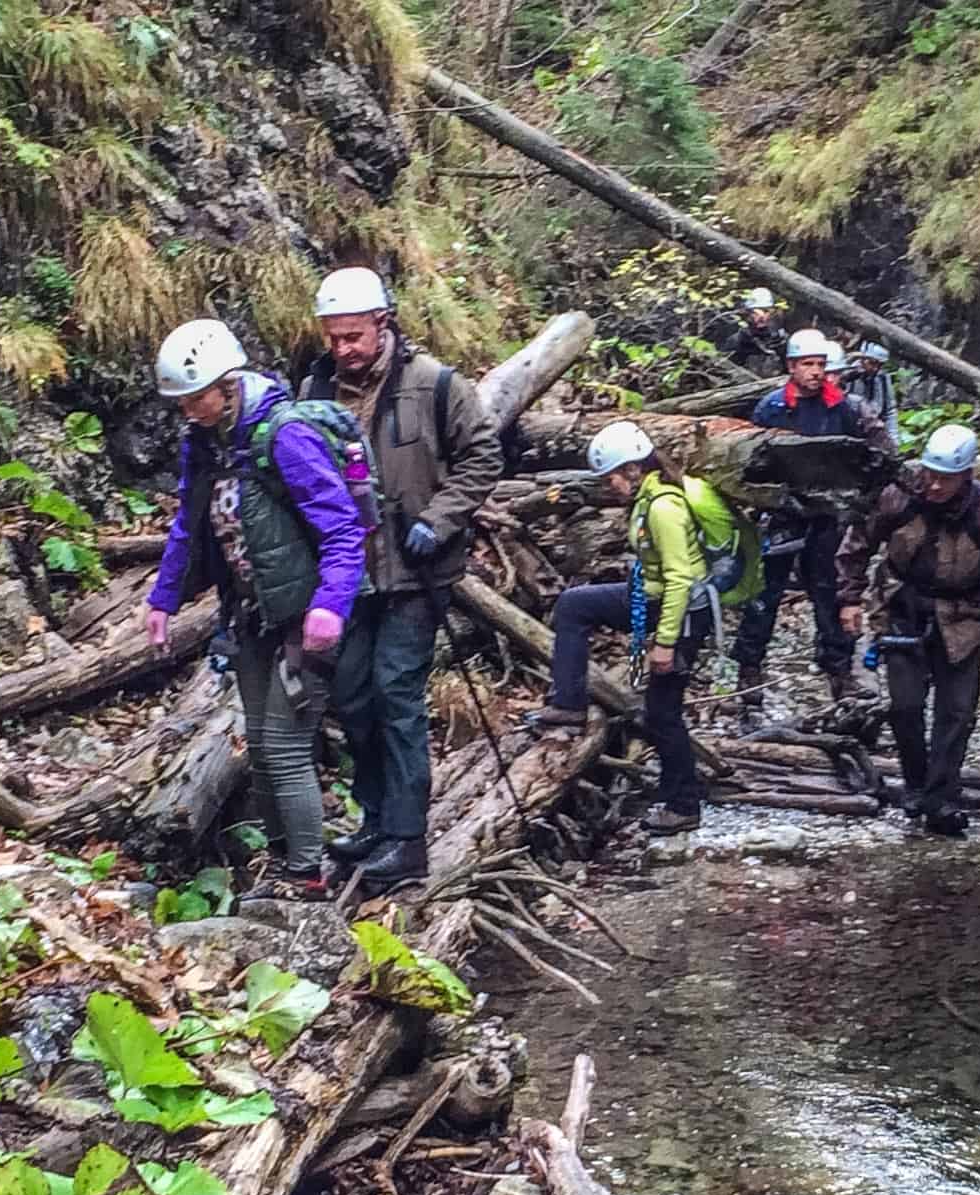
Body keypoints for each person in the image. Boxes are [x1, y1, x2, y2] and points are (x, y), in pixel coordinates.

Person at [145, 319, 365, 900]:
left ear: (228, 382)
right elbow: (187, 526)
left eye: (196, 397)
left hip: (303, 617)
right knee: (262, 748)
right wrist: (163, 599)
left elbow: (343, 528)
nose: (188, 410)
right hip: (249, 614)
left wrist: (331, 606)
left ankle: (308, 875)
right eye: (182, 402)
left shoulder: (285, 436)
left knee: (288, 747)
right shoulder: (204, 442)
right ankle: (278, 863)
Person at [304, 267, 504, 889]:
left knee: (396, 694)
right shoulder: (313, 388)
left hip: (418, 573)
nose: (344, 349)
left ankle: (408, 840)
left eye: (355, 336)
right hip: (346, 575)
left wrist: (440, 520)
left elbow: (484, 455)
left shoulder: (437, 385)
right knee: (354, 697)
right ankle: (375, 819)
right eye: (335, 337)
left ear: (384, 324)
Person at [836, 424, 980, 836]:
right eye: (931, 474)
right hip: (902, 609)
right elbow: (857, 544)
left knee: (956, 713)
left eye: (946, 478)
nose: (935, 485)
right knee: (904, 707)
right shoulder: (898, 496)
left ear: (967, 475)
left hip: (964, 616)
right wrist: (850, 598)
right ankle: (915, 782)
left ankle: (941, 797)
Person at [526, 422, 713, 835]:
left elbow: (680, 580)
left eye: (612, 475)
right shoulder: (648, 499)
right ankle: (569, 703)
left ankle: (684, 804)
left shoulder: (663, 507)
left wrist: (663, 643)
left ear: (632, 468)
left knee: (664, 712)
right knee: (575, 605)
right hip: (653, 597)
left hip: (677, 613)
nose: (610, 486)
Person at [733, 329, 888, 710]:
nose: (816, 372)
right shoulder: (771, 408)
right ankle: (749, 678)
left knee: (831, 595)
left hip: (828, 519)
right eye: (808, 364)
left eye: (821, 364)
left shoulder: (847, 409)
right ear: (791, 366)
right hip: (782, 516)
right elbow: (751, 461)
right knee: (762, 596)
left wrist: (860, 498)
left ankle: (840, 676)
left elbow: (882, 451)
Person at [846, 341, 900, 447]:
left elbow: (890, 411)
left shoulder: (883, 378)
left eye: (879, 365)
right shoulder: (847, 376)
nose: (875, 368)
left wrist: (894, 439)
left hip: (875, 432)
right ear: (862, 359)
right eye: (872, 363)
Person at [726, 287, 787, 377]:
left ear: (771, 313)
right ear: (748, 314)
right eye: (755, 312)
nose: (761, 316)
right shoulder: (738, 340)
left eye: (765, 311)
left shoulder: (781, 340)